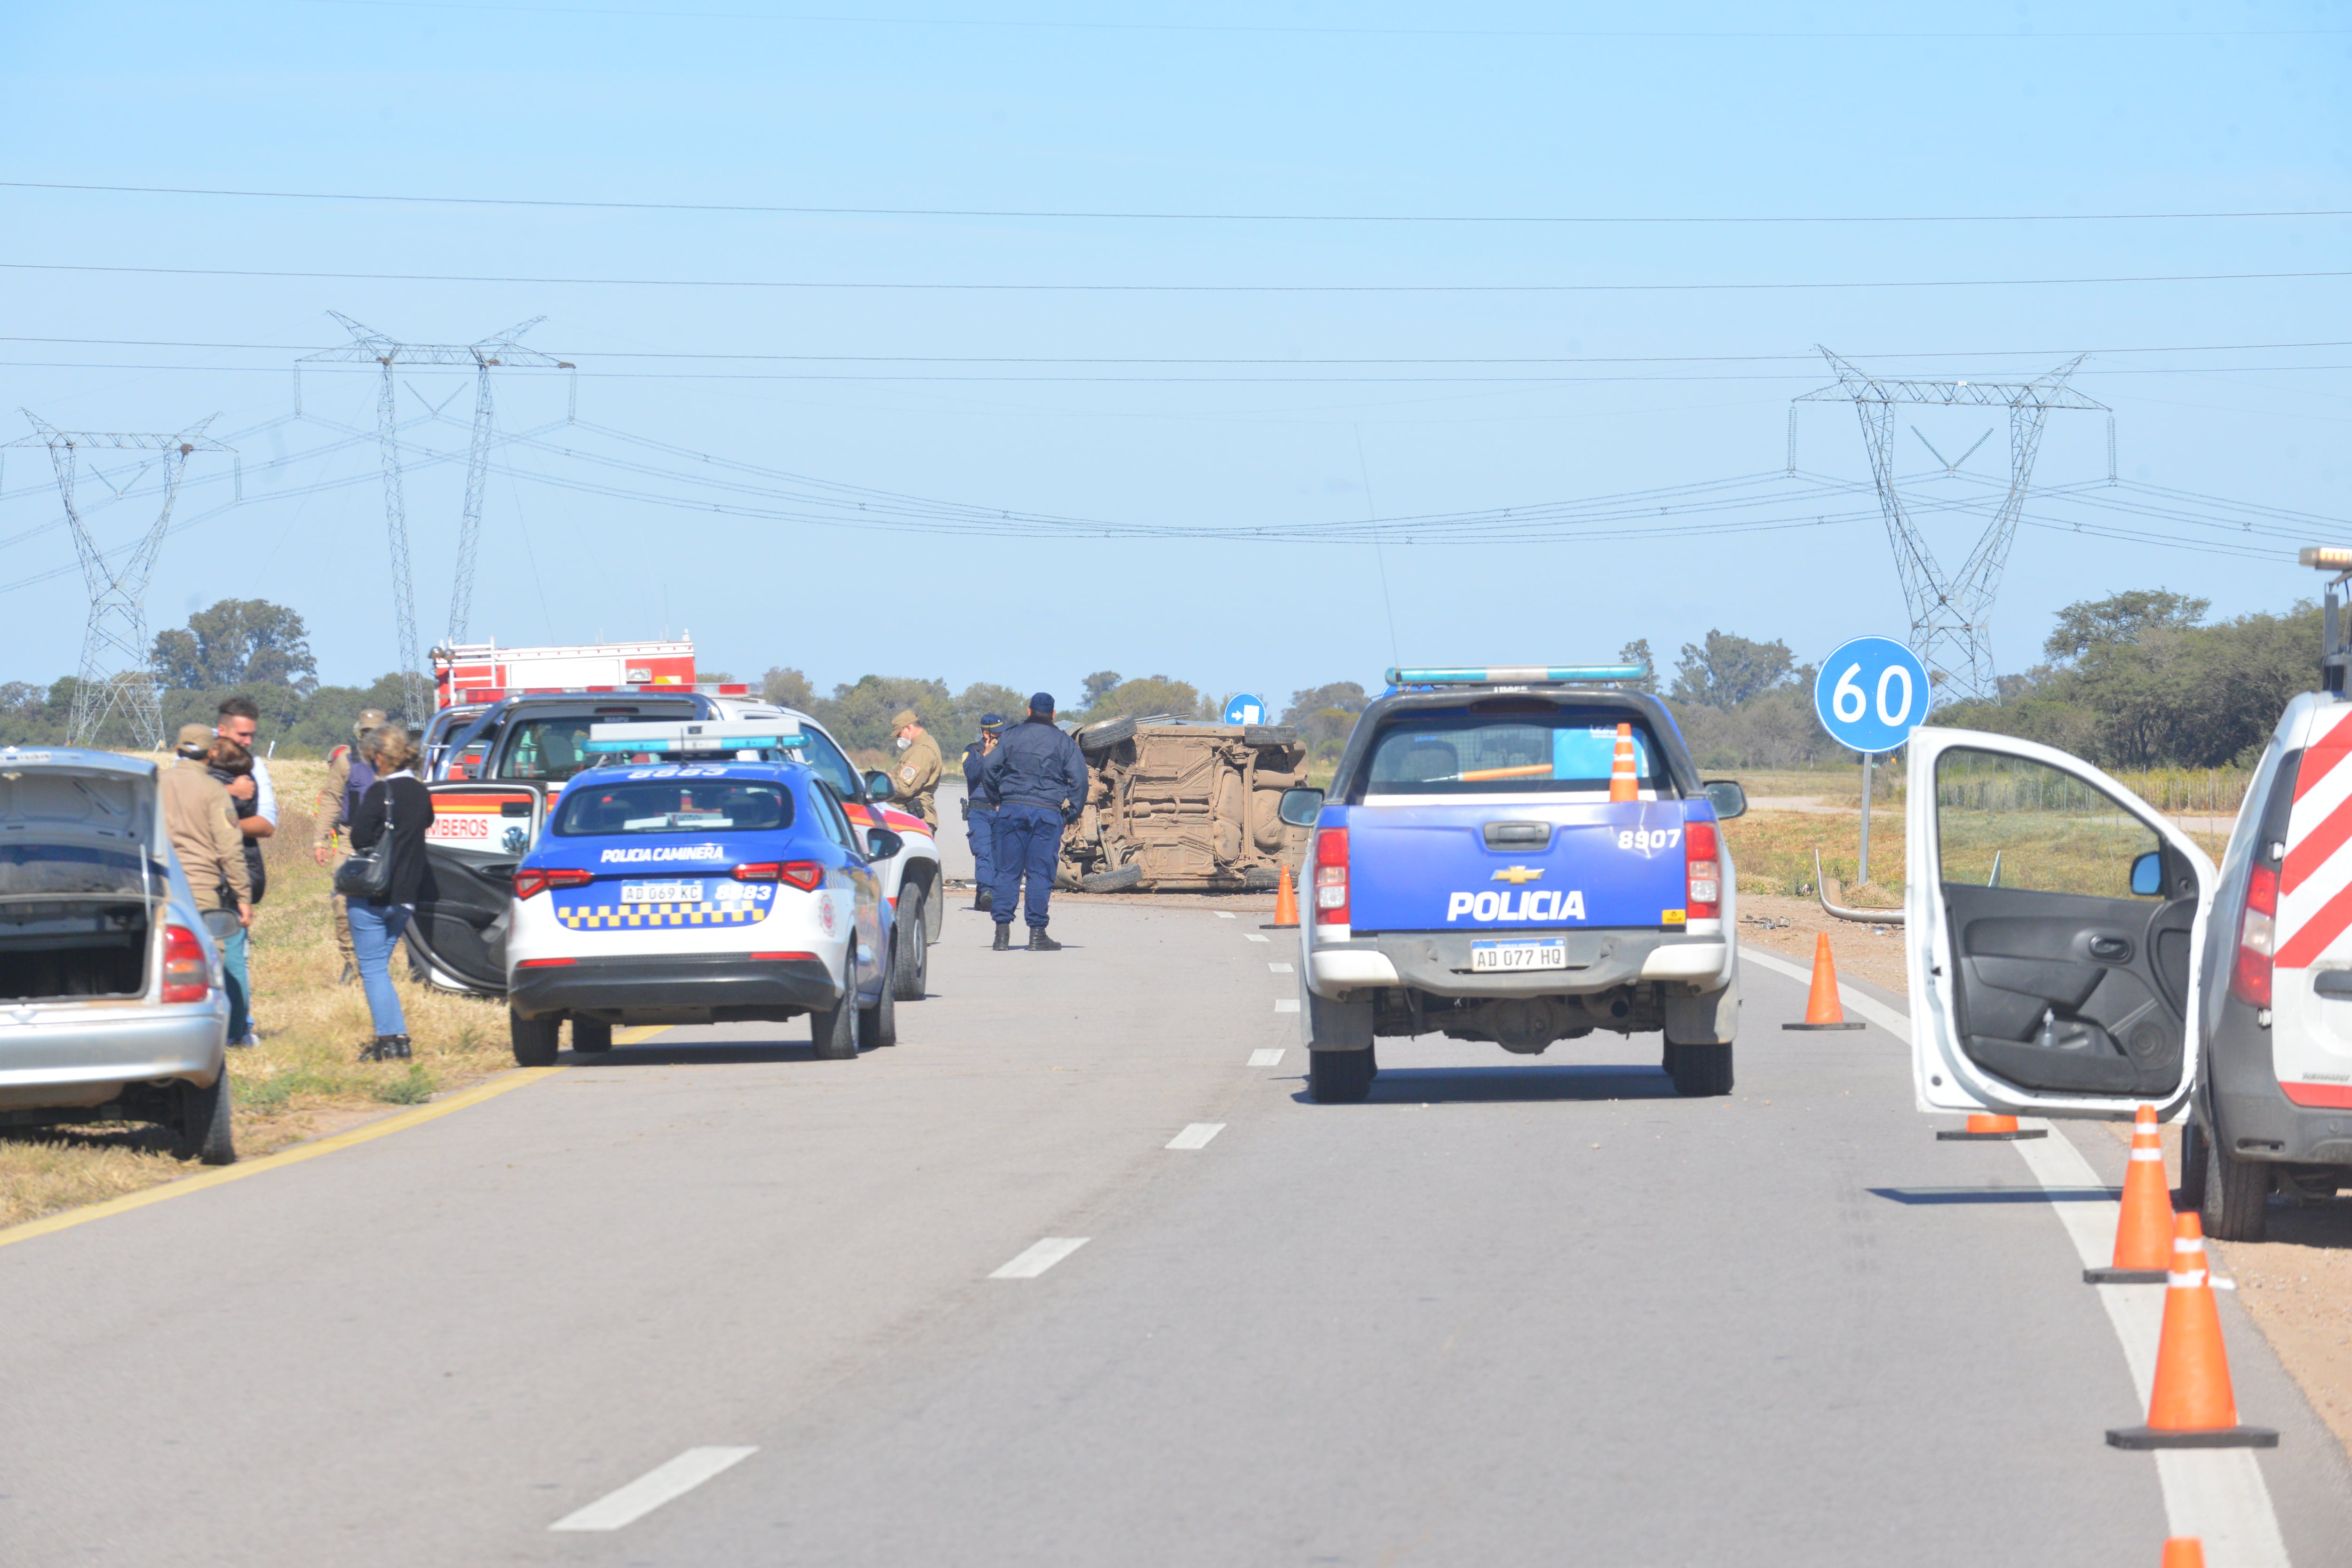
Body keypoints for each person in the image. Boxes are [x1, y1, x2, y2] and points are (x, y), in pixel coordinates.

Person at [345, 725, 437, 1063]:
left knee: (371, 970)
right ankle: (394, 1038)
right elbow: (426, 823)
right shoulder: (420, 792)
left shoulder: (379, 792)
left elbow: (358, 839)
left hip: (374, 893)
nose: (370, 764)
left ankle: (392, 1041)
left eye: (371, 758)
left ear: (381, 757)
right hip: (406, 896)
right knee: (378, 970)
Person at [977, 692, 1088, 952]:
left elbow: (988, 768)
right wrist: (1070, 813)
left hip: (1012, 809)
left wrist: (998, 798)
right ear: (1053, 715)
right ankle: (1037, 935)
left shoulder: (1012, 736)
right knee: (1040, 873)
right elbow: (1080, 780)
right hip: (1047, 813)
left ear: (1028, 712)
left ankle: (1001, 936)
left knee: (1007, 871)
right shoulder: (1063, 742)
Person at [159, 723, 251, 1035]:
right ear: (212, 752)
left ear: (177, 750)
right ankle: (214, 1034)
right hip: (201, 888)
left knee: (167, 962)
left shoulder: (155, 784)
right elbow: (230, 848)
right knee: (211, 959)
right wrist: (243, 896)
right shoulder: (214, 790)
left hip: (162, 889)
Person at [313, 708, 387, 984]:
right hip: (349, 838)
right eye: (365, 734)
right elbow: (331, 800)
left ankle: (377, 962)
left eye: (375, 734)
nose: (370, 739)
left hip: (386, 841)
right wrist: (320, 840)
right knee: (342, 900)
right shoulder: (346, 762)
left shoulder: (394, 763)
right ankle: (351, 960)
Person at [205, 734, 268, 1046]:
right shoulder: (241, 789)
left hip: (193, 881)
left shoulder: (189, 783)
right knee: (233, 958)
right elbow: (234, 845)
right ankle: (238, 1029)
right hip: (225, 881)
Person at [961, 712, 1005, 911]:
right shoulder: (973, 751)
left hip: (1000, 810)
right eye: (996, 735)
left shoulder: (1005, 751)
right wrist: (986, 756)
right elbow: (971, 773)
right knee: (984, 852)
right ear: (986, 734)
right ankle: (987, 891)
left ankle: (985, 896)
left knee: (999, 855)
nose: (999, 737)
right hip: (979, 812)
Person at [890, 708, 944, 830]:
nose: (899, 739)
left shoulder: (921, 751)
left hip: (915, 820)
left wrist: (885, 783)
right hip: (911, 818)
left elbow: (904, 788)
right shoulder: (921, 746)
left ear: (908, 728)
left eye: (899, 734)